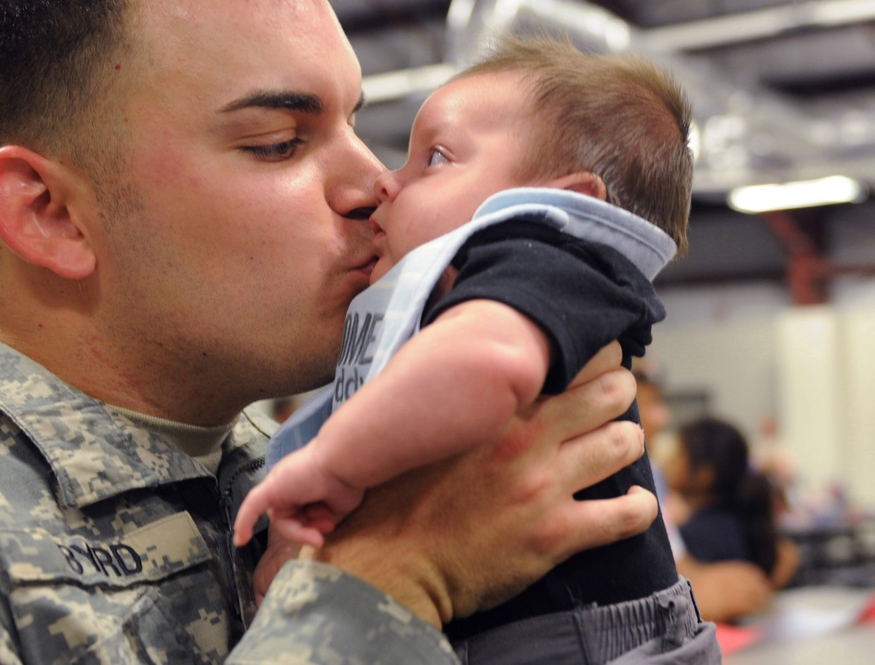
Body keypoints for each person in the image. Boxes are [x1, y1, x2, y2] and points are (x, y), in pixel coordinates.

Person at [0, 0, 660, 664]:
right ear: (50, 212)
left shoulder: (294, 465)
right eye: (280, 142)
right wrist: (391, 576)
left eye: (353, 121)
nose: (376, 183)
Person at [235, 35, 720, 662]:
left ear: (559, 203)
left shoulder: (545, 256)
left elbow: (486, 364)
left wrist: (331, 465)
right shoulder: (467, 295)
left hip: (594, 640)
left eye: (434, 158)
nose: (385, 181)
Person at [633, 363, 779, 622]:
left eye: (678, 453)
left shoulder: (651, 477)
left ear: (703, 475)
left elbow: (679, 567)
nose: (662, 418)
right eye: (651, 404)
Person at [664, 416, 801, 596]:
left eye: (677, 454)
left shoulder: (696, 534)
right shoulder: (746, 520)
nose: (668, 461)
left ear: (705, 475)